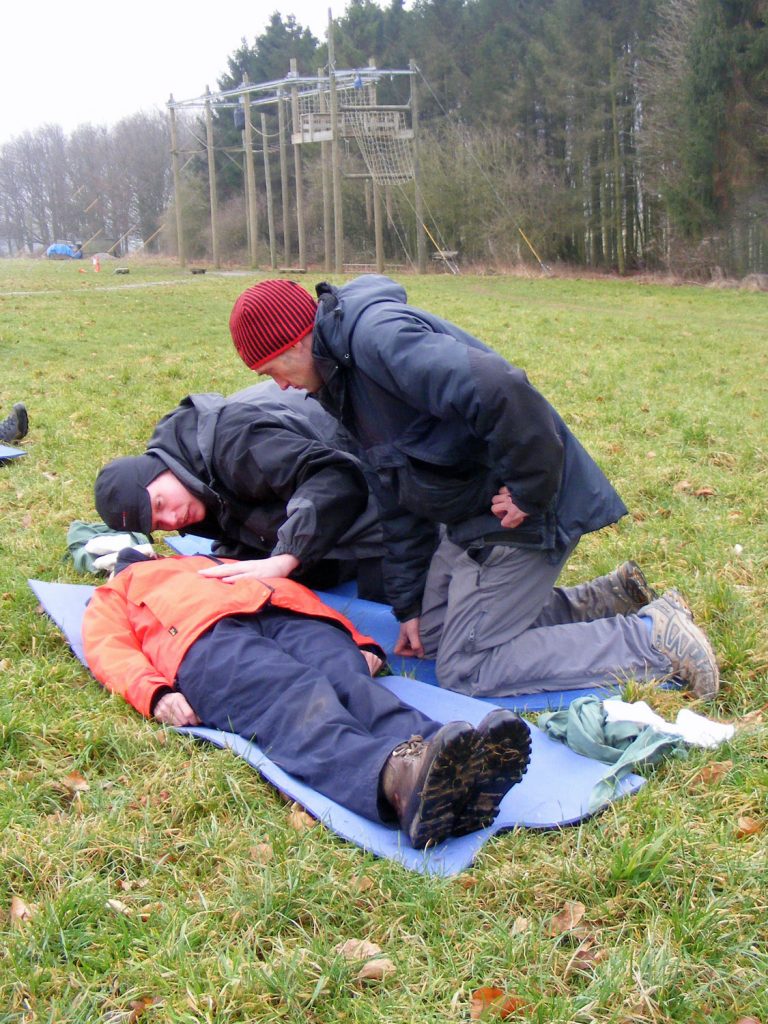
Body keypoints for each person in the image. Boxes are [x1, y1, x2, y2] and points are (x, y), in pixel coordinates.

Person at [228, 276, 720, 701]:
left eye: (272, 371)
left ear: (296, 342)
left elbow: (500, 387)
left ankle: (654, 640)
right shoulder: (337, 382)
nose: (281, 388)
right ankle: (605, 599)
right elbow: (391, 492)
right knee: (437, 634)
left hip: (524, 506)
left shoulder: (377, 340)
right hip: (471, 514)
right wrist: (408, 606)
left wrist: (529, 490)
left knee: (468, 668)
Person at [81, 550, 532, 848]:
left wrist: (359, 641)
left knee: (349, 680)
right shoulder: (117, 590)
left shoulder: (204, 558)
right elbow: (107, 646)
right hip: (203, 643)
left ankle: (464, 759)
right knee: (296, 698)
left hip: (280, 614)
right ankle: (399, 781)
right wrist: (155, 692)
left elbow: (295, 592)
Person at [93, 381, 385, 598]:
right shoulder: (191, 485)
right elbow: (246, 523)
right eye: (158, 524)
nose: (171, 520)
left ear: (161, 468)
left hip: (379, 481)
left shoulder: (233, 444)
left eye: (159, 504)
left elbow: (336, 477)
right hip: (332, 500)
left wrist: (287, 557)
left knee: (395, 604)